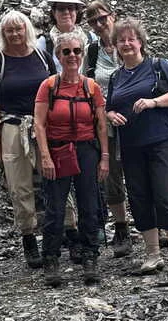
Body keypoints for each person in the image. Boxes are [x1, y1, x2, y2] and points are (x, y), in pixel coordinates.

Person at [105, 18, 168, 274]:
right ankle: (152, 254)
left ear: (141, 42)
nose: (127, 44)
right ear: (116, 46)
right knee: (139, 196)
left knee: (165, 192)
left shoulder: (158, 66)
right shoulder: (116, 76)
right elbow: (109, 106)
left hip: (161, 139)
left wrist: (154, 102)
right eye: (122, 40)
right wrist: (110, 116)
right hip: (130, 143)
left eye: (131, 39)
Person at [33, 31, 110, 287]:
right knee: (55, 207)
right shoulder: (49, 86)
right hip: (57, 150)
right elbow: (39, 123)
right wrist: (44, 155)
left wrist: (105, 158)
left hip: (87, 149)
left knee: (89, 204)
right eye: (66, 52)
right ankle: (51, 258)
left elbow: (100, 125)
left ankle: (90, 256)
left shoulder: (91, 87)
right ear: (58, 55)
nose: (72, 56)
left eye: (77, 51)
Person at [0, 10, 55, 268]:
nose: (15, 34)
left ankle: (65, 231)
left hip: (43, 124)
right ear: (3, 34)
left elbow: (56, 91)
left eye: (19, 29)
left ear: (27, 30)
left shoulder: (42, 57)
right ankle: (29, 239)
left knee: (54, 178)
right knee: (19, 184)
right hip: (12, 125)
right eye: (9, 30)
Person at [84, 0, 132, 258]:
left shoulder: (128, 40)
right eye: (93, 21)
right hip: (106, 122)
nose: (100, 24)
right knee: (112, 176)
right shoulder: (91, 52)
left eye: (103, 18)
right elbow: (87, 87)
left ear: (112, 16)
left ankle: (154, 224)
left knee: (142, 172)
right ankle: (122, 228)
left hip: (136, 117)